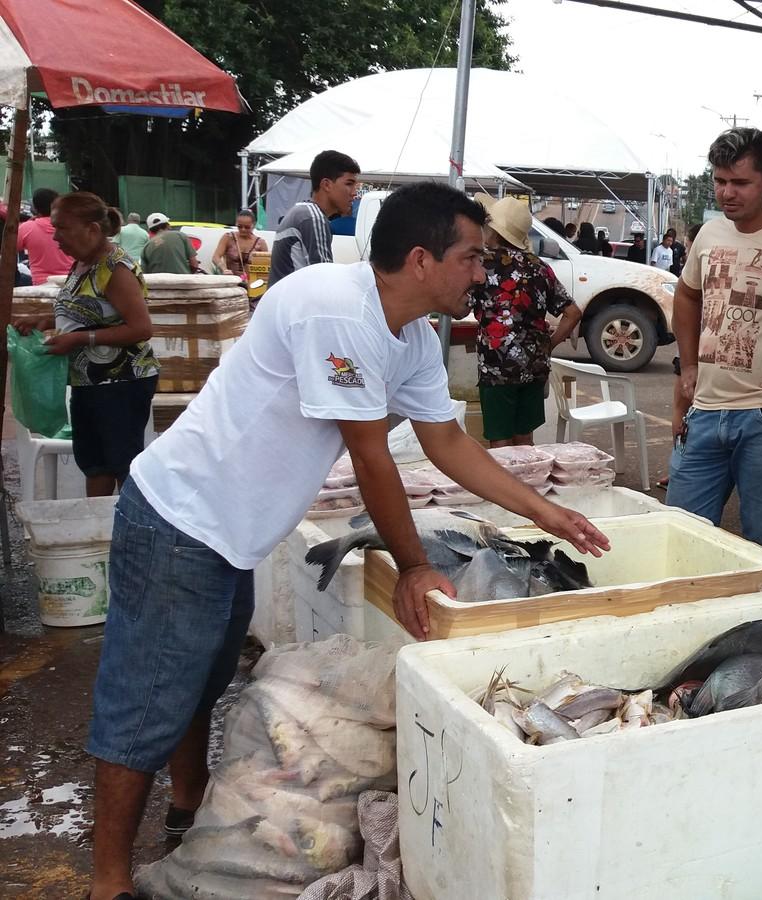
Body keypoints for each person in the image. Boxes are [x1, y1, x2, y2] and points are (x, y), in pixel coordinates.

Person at [83, 183, 609, 900]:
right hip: (182, 519)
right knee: (145, 701)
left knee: (197, 681)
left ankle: (187, 810)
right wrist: (415, 566)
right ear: (421, 260)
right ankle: (108, 880)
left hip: (230, 535)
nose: (480, 275)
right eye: (470, 259)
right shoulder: (339, 309)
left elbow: (448, 443)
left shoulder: (415, 335)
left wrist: (543, 511)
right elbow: (370, 457)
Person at [668, 127, 762, 552]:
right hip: (705, 410)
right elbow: (687, 296)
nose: (727, 193)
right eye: (720, 181)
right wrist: (688, 364)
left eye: (741, 182)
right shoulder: (709, 235)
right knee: (681, 534)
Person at [14, 192, 158, 498]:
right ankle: (96, 528)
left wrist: (79, 338)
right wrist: (45, 320)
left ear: (92, 229)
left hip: (121, 381)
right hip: (89, 380)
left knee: (121, 463)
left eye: (62, 228)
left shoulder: (115, 268)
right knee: (94, 463)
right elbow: (85, 311)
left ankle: (126, 531)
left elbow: (141, 328)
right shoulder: (82, 263)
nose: (55, 237)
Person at [470, 196, 583, 447]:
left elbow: (458, 309)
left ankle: (502, 486)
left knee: (500, 441)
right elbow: (573, 312)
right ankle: (528, 483)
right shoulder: (540, 267)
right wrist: (549, 345)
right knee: (524, 439)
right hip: (534, 366)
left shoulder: (482, 264)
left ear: (493, 230)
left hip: (497, 366)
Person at [268, 149, 359, 283]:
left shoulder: (302, 212)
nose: (354, 193)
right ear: (326, 184)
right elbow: (324, 281)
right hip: (292, 303)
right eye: (349, 184)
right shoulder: (313, 218)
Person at [18, 188, 74, 284]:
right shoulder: (73, 225)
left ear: (35, 208)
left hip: (40, 284)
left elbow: (8, 250)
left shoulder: (27, 228)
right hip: (72, 281)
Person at [212, 208, 269, 283]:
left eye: (247, 227)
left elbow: (266, 266)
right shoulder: (228, 238)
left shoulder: (261, 243)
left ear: (254, 225)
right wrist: (224, 269)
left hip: (252, 283)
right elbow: (216, 257)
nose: (243, 229)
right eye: (239, 226)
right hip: (231, 281)